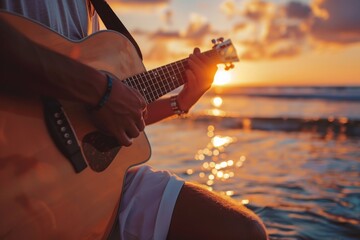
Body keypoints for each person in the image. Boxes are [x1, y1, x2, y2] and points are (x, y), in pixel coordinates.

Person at [0, 0, 268, 239]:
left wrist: (180, 102)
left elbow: (101, 116)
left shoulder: (93, 11)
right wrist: (101, 90)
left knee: (243, 232)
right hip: (14, 163)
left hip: (78, 178)